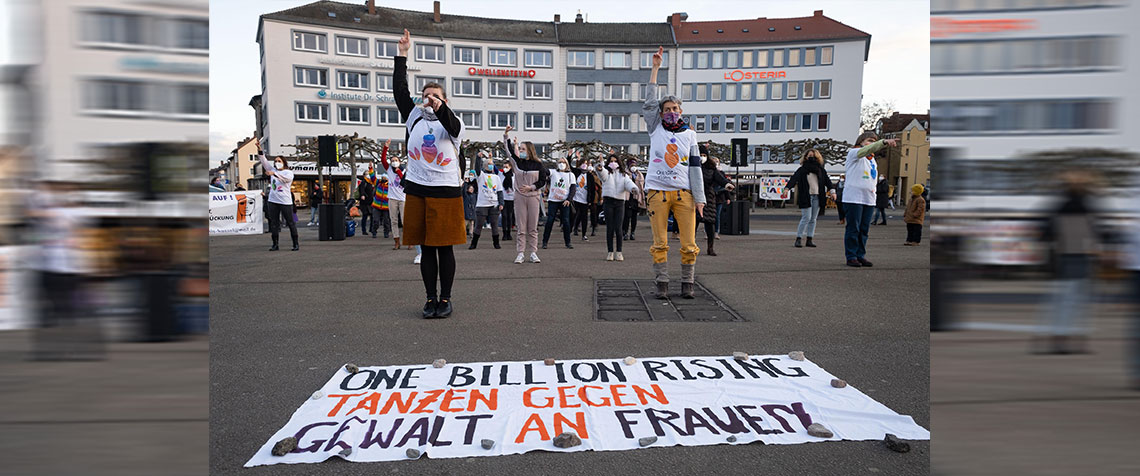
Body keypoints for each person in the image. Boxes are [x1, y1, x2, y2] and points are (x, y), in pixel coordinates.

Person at [393, 28, 466, 319]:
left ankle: (446, 298)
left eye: (435, 96)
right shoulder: (414, 117)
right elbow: (400, 91)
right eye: (426, 96)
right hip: (418, 189)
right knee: (425, 248)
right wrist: (402, 55)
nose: (430, 99)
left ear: (445, 99)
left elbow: (453, 128)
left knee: (444, 248)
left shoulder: (453, 120)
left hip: (446, 190)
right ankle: (429, 299)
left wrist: (441, 107)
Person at [642, 46, 706, 299]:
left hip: (684, 195)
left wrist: (699, 198)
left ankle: (688, 284)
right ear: (660, 114)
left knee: (689, 244)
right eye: (667, 109)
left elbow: (695, 167)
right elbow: (648, 104)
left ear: (681, 112)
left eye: (675, 109)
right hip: (657, 192)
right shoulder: (655, 128)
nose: (671, 112)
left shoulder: (690, 134)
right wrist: (655, 69)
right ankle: (662, 283)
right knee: (660, 243)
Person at [1037, 171, 1100, 354]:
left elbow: (1044, 234)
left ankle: (1059, 340)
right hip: (1084, 255)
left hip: (1063, 256)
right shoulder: (1090, 206)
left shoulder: (1056, 206)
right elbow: (1098, 232)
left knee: (1062, 301)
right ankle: (1081, 342)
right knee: (1082, 302)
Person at [842, 132, 896, 267]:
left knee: (864, 229)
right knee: (853, 228)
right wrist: (882, 143)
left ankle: (860, 255)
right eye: (869, 140)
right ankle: (851, 256)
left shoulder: (872, 160)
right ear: (861, 141)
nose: (871, 143)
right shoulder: (854, 153)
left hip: (869, 198)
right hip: (854, 198)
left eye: (874, 141)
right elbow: (866, 150)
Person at [502, 125, 548, 263]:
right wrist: (506, 135)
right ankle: (520, 253)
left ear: (529, 150)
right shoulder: (517, 163)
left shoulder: (538, 165)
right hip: (520, 197)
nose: (520, 151)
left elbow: (542, 181)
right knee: (521, 227)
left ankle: (533, 253)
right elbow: (508, 150)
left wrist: (532, 187)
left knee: (532, 227)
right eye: (520, 149)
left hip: (533, 197)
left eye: (523, 149)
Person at [786, 148, 836, 249]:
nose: (811, 158)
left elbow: (827, 181)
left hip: (818, 196)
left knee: (813, 219)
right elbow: (794, 178)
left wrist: (832, 191)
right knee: (806, 218)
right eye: (809, 156)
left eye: (813, 156)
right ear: (805, 157)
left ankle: (809, 239)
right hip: (806, 196)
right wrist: (787, 188)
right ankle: (799, 238)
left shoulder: (821, 170)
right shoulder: (802, 170)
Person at [257, 139, 299, 251]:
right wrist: (259, 149)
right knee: (274, 223)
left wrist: (274, 174)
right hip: (273, 201)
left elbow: (286, 179)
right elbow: (264, 161)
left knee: (290, 223)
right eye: (275, 161)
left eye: (279, 160)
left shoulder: (288, 172)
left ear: (284, 162)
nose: (276, 162)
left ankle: (295, 243)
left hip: (285, 201)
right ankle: (275, 244)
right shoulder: (272, 169)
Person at [598, 154, 639, 261]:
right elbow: (601, 174)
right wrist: (600, 166)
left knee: (619, 228)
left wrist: (633, 189)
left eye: (615, 161)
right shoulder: (607, 173)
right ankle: (610, 251)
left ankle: (619, 251)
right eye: (611, 161)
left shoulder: (623, 175)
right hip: (608, 201)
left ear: (619, 162)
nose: (613, 163)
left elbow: (628, 183)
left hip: (620, 202)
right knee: (610, 228)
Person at [700, 152, 735, 256]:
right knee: (693, 223)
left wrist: (727, 184)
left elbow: (720, 178)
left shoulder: (711, 168)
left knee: (710, 221)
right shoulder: (693, 167)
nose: (702, 157)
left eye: (704, 155)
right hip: (694, 196)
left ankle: (710, 247)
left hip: (709, 197)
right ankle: (690, 246)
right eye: (700, 154)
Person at [468, 152, 504, 250]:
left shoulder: (496, 177)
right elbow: (477, 169)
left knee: (494, 225)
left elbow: (500, 191)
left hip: (494, 204)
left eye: (492, 164)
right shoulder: (481, 176)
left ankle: (496, 243)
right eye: (489, 164)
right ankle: (473, 243)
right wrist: (478, 158)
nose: (491, 166)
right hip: (482, 204)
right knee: (479, 225)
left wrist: (501, 203)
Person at [542, 154, 577, 250]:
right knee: (550, 220)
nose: (561, 164)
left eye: (563, 162)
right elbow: (545, 171)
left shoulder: (571, 175)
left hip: (564, 201)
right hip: (553, 200)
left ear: (567, 164)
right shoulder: (553, 172)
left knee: (566, 221)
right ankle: (545, 242)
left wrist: (569, 199)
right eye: (560, 162)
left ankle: (568, 242)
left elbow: (573, 188)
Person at [378, 139, 407, 250]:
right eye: (393, 160)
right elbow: (383, 159)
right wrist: (385, 147)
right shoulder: (389, 169)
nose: (394, 162)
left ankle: (408, 240)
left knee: (404, 220)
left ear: (400, 162)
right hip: (392, 198)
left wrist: (398, 170)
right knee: (393, 220)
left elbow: (403, 182)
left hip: (402, 198)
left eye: (396, 160)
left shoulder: (403, 171)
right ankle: (396, 240)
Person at [571, 156, 595, 242]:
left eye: (586, 164)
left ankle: (584, 234)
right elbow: (570, 167)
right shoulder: (577, 172)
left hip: (585, 199)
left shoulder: (590, 176)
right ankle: (572, 229)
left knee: (584, 217)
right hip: (576, 198)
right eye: (583, 163)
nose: (584, 165)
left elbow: (592, 189)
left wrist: (591, 201)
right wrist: (570, 156)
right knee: (574, 214)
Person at [624, 158, 645, 241]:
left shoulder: (639, 174)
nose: (633, 167)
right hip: (628, 197)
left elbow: (642, 186)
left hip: (636, 198)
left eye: (635, 165)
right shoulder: (625, 174)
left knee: (634, 217)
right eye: (632, 165)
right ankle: (625, 232)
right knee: (627, 216)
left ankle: (632, 232)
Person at [371, 173, 391, 239]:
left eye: (385, 178)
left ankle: (386, 233)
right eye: (382, 178)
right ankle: (374, 232)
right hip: (377, 205)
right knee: (376, 220)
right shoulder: (378, 183)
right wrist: (370, 169)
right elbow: (373, 178)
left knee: (386, 221)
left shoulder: (390, 185)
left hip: (386, 206)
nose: (383, 179)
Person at [500, 160, 515, 241]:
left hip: (511, 198)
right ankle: (504, 233)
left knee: (509, 216)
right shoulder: (501, 175)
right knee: (504, 216)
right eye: (504, 167)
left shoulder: (514, 176)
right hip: (503, 198)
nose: (505, 168)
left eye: (507, 167)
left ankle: (509, 233)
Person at [357, 172, 375, 236]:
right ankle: (364, 230)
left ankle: (371, 228)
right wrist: (362, 195)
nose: (368, 175)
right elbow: (361, 189)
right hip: (364, 202)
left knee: (372, 216)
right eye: (366, 174)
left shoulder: (371, 182)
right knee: (365, 216)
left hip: (370, 202)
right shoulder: (363, 182)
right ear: (364, 175)